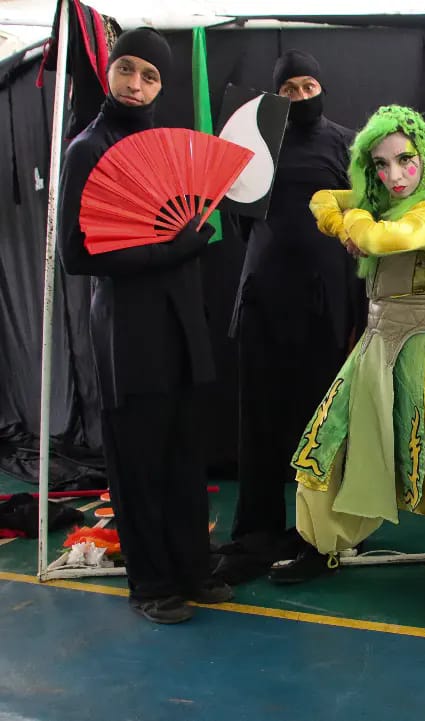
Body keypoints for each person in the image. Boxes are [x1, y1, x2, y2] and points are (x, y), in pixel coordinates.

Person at [268, 105, 425, 583]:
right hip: (375, 342)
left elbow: (386, 240)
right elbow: (324, 198)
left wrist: (357, 227)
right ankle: (324, 544)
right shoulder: (381, 202)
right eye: (380, 165)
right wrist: (352, 221)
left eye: (405, 160)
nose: (394, 174)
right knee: (331, 440)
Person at [57, 28, 231, 623]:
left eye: (150, 76)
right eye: (127, 70)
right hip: (129, 332)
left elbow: (196, 224)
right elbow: (76, 255)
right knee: (138, 459)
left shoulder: (170, 145)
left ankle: (193, 569)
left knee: (186, 453)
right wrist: (173, 251)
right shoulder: (87, 148)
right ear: (109, 71)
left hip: (182, 323)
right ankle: (151, 583)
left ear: (163, 83)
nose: (136, 85)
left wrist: (197, 238)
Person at [213, 50, 363, 585]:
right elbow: (238, 219)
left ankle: (317, 538)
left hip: (325, 303)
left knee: (319, 425)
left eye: (307, 86)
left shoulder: (347, 142)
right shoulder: (253, 143)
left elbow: (362, 223)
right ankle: (255, 534)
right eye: (290, 90)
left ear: (321, 87)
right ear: (277, 96)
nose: (300, 97)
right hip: (263, 298)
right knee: (259, 420)